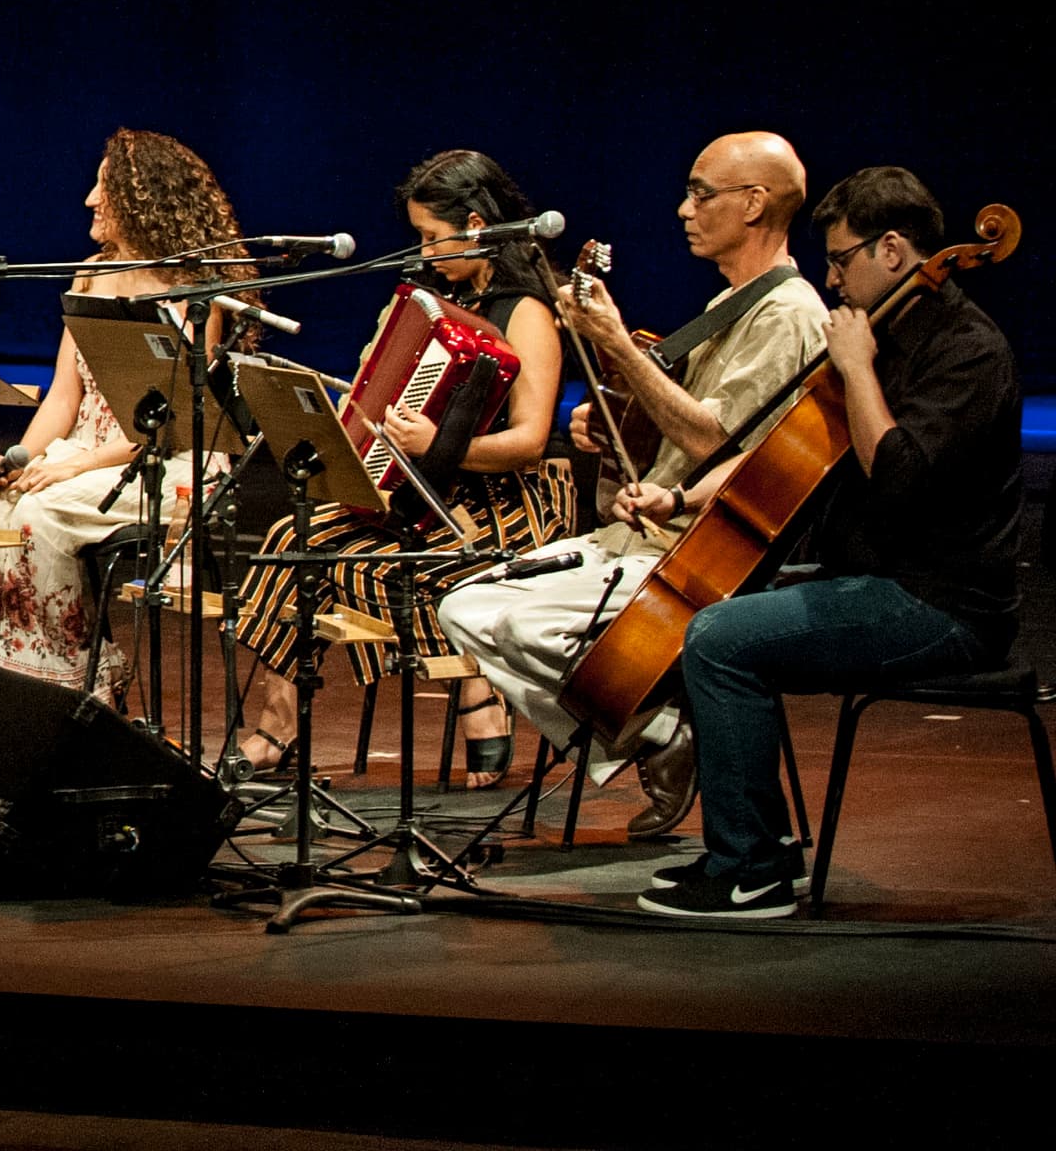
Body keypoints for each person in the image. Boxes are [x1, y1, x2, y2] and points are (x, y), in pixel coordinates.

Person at [636, 166, 1025, 918]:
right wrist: (681, 496)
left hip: (942, 607)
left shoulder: (968, 350)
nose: (832, 276)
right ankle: (756, 847)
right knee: (717, 606)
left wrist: (854, 369)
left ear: (892, 250)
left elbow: (898, 472)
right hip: (877, 582)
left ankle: (749, 872)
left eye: (842, 260)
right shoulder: (885, 332)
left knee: (720, 637)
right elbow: (783, 464)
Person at [440, 130, 825, 840]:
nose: (683, 208)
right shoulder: (732, 304)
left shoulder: (790, 314)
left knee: (523, 625)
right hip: (632, 532)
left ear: (754, 203)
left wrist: (617, 344)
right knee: (463, 606)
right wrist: (616, 417)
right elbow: (676, 425)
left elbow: (715, 438)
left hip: (692, 554)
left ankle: (652, 719)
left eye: (700, 193)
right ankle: (655, 734)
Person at [227, 148, 572, 785]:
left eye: (432, 237)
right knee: (290, 542)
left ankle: (477, 694)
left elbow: (529, 442)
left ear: (476, 225)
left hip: (508, 504)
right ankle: (275, 727)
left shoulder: (527, 311)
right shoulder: (434, 304)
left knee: (389, 567)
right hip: (427, 493)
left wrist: (440, 446)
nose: (424, 250)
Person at [0, 126, 245, 718]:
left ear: (140, 197)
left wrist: (74, 465)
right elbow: (63, 398)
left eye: (104, 189)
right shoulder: (92, 273)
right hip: (83, 450)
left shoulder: (194, 291)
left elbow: (166, 422)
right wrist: (18, 460)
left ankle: (66, 688)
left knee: (43, 511)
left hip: (159, 458)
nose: (89, 201)